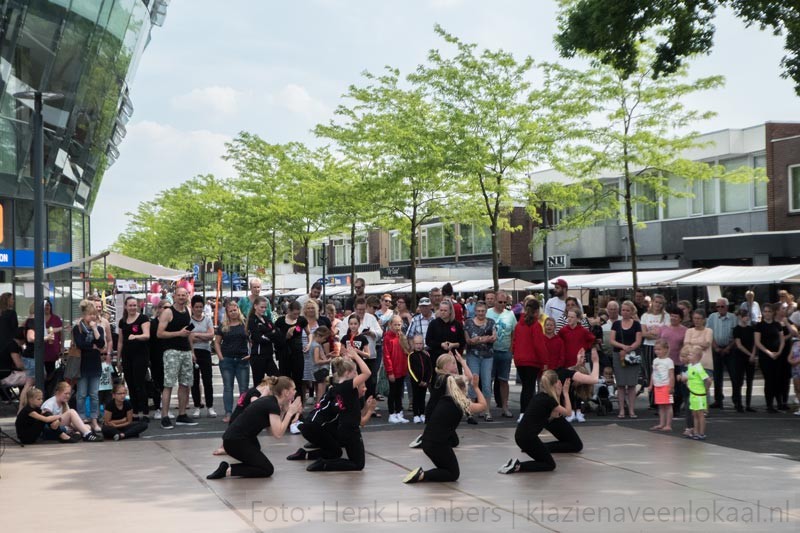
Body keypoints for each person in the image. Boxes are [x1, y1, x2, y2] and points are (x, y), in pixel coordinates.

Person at [207, 377, 303, 479]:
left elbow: (273, 431)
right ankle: (227, 470)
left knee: (257, 455)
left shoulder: (271, 402)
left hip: (236, 439)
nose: (295, 392)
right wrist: (290, 412)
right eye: (293, 389)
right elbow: (278, 434)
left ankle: (227, 468)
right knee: (267, 469)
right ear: (286, 392)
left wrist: (284, 411)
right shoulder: (271, 404)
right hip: (235, 441)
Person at [402, 373, 487, 483]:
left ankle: (423, 474)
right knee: (453, 474)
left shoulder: (444, 399)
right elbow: (483, 406)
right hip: (437, 444)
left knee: (446, 468)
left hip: (427, 442)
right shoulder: (461, 403)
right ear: (462, 389)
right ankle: (422, 475)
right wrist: (475, 387)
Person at [305, 352, 375, 472]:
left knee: (355, 461)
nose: (356, 375)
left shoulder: (336, 387)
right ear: (347, 373)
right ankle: (325, 464)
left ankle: (325, 463)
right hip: (350, 430)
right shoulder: (347, 386)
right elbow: (367, 373)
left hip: (344, 427)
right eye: (354, 372)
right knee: (358, 464)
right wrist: (356, 356)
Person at [496, 371, 576, 474]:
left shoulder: (540, 397)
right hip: (528, 438)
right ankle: (517, 466)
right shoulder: (549, 400)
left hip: (521, 436)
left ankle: (514, 465)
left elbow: (555, 415)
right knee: (550, 464)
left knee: (544, 460)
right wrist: (565, 393)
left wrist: (559, 395)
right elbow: (568, 413)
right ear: (555, 384)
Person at [157, 287, 197, 429]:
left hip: (186, 351)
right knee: (168, 384)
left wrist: (192, 351)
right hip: (171, 351)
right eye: (179, 295)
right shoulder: (168, 312)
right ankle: (165, 416)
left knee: (185, 384)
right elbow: (160, 333)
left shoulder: (188, 310)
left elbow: (189, 332)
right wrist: (178, 333)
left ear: (187, 296)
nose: (181, 297)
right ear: (174, 296)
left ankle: (182, 415)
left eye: (184, 295)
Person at [215, 299, 251, 423]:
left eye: (235, 310)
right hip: (227, 360)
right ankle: (229, 413)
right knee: (228, 388)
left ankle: (243, 413)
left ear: (238, 310)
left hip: (242, 359)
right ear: (227, 312)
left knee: (243, 388)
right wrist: (220, 357)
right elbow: (217, 342)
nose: (233, 312)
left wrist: (250, 354)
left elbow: (252, 341)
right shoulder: (223, 326)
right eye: (230, 311)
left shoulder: (245, 324)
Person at [512, 299, 547, 422]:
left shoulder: (518, 325)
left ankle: (523, 413)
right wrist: (545, 361)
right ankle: (526, 413)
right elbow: (539, 345)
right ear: (537, 311)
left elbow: (514, 343)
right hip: (532, 360)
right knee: (529, 387)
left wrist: (516, 356)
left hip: (520, 360)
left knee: (526, 388)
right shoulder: (535, 325)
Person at [73, 300, 105, 432]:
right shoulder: (78, 328)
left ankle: (94, 419)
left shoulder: (99, 328)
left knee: (94, 394)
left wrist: (94, 329)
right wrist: (93, 346)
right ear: (84, 315)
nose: (92, 317)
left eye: (94, 314)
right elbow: (80, 344)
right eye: (90, 314)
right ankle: (80, 419)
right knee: (81, 394)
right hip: (81, 364)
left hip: (95, 364)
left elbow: (101, 344)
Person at [558, 309, 596, 422]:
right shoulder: (563, 331)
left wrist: (585, 349)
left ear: (578, 318)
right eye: (568, 317)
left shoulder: (583, 331)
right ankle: (569, 412)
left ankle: (579, 411)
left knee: (579, 388)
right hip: (567, 363)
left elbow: (592, 340)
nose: (569, 319)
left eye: (572, 317)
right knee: (568, 388)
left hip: (579, 363)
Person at [117, 296, 151, 420]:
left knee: (139, 384)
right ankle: (135, 411)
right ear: (126, 306)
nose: (132, 307)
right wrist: (119, 358)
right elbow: (120, 341)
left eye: (134, 305)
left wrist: (135, 337)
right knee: (130, 384)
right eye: (130, 305)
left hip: (140, 355)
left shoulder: (143, 318)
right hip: (127, 355)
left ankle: (145, 411)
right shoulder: (122, 321)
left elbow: (147, 335)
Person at [609, 300, 642, 418]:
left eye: (627, 310)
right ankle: (621, 409)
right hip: (619, 355)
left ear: (632, 311)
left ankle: (632, 410)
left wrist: (630, 348)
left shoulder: (637, 324)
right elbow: (611, 340)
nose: (625, 312)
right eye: (623, 310)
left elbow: (638, 340)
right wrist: (623, 347)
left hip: (633, 356)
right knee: (621, 384)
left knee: (632, 384)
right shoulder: (616, 324)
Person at [486, 290, 517, 418]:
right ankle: (486, 408)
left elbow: (513, 333)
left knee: (504, 381)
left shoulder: (510, 314)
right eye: (500, 302)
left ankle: (505, 407)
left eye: (505, 302)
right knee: (489, 381)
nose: (502, 304)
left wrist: (510, 350)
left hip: (505, 352)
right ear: (494, 301)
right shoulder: (487, 313)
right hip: (490, 352)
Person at [465, 301, 497, 421]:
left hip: (488, 356)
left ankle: (487, 410)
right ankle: (472, 410)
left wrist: (478, 339)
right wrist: (484, 339)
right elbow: (468, 340)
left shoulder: (491, 322)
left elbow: (494, 337)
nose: (480, 313)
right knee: (473, 382)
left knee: (487, 384)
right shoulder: (468, 322)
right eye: (478, 311)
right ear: (475, 311)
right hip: (473, 356)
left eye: (483, 311)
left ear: (486, 311)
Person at [16, 387, 81, 444]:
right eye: (38, 399)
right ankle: (62, 435)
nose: (41, 401)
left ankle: (62, 435)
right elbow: (46, 419)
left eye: (42, 399)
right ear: (30, 400)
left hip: (32, 434)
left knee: (47, 414)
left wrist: (57, 420)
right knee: (46, 416)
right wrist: (59, 417)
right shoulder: (28, 410)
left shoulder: (36, 408)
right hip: (26, 438)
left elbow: (47, 415)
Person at [754, 303, 786, 413]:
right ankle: (769, 404)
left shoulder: (777, 325)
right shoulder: (759, 326)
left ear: (773, 313)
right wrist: (769, 353)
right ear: (763, 313)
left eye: (769, 311)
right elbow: (757, 342)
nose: (767, 313)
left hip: (778, 356)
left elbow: (782, 340)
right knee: (769, 380)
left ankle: (779, 403)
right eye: (765, 311)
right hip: (765, 357)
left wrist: (779, 351)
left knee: (778, 379)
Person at [707, 298, 737, 409]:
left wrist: (729, 347)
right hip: (716, 349)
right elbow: (709, 333)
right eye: (718, 306)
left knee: (734, 375)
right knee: (717, 376)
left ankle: (736, 400)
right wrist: (716, 347)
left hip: (730, 349)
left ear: (727, 307)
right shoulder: (712, 317)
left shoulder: (733, 318)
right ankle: (718, 400)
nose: (720, 308)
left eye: (722, 306)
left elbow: (736, 335)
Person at [189, 295, 216, 418]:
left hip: (206, 352)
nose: (199, 309)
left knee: (208, 380)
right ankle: (197, 406)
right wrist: (203, 335)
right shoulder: (189, 321)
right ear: (192, 307)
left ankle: (210, 406)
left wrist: (197, 335)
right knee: (194, 381)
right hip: (194, 352)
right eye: (196, 307)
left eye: (201, 307)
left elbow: (211, 335)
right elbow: (189, 337)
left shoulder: (207, 320)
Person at [640, 294, 668, 408]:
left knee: (661, 372)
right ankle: (652, 401)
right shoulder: (645, 316)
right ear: (653, 302)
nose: (658, 305)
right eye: (656, 302)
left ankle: (662, 399)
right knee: (650, 373)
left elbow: (664, 334)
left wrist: (653, 335)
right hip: (648, 347)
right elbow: (644, 333)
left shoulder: (666, 316)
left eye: (660, 303)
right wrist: (655, 335)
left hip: (662, 347)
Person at [659, 306, 687, 417]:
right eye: (672, 316)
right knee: (664, 385)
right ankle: (664, 407)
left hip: (678, 362)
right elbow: (659, 343)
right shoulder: (664, 328)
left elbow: (685, 346)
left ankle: (676, 408)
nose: (673, 318)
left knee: (678, 387)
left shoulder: (685, 330)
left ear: (681, 318)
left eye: (676, 316)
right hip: (664, 362)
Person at [274, 301, 306, 395]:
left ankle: (298, 401)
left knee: (298, 379)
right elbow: (276, 337)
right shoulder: (280, 321)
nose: (296, 316)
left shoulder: (301, 320)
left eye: (298, 314)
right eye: (294, 313)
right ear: (288, 311)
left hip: (297, 353)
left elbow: (309, 333)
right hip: (284, 353)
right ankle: (285, 401)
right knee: (285, 378)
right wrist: (286, 336)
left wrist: (308, 344)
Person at [383, 315, 410, 424]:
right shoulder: (387, 338)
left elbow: (406, 352)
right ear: (390, 325)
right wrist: (390, 372)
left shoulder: (402, 336)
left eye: (399, 324)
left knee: (399, 393)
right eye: (395, 324)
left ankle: (399, 413)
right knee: (392, 393)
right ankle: (391, 414)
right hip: (393, 371)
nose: (397, 327)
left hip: (402, 370)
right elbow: (386, 356)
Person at [248, 295, 280, 386]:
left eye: (265, 307)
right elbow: (259, 338)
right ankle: (257, 399)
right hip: (258, 356)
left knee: (277, 379)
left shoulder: (266, 319)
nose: (264, 309)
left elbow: (276, 332)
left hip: (268, 354)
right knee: (258, 383)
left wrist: (268, 333)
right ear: (255, 306)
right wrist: (271, 334)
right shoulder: (252, 320)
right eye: (261, 307)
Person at [684, 309, 714, 404]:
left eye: (699, 318)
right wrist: (698, 344)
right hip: (692, 364)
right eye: (695, 318)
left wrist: (692, 343)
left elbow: (707, 344)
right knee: (692, 386)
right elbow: (686, 345)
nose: (696, 321)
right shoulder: (689, 331)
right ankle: (693, 407)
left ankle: (705, 409)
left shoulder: (708, 331)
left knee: (705, 387)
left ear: (704, 320)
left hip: (706, 363)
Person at [682, 346, 711, 440]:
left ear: (697, 357)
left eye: (690, 354)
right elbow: (689, 378)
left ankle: (701, 433)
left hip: (699, 394)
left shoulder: (699, 368)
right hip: (693, 393)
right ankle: (696, 432)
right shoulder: (690, 366)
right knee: (694, 413)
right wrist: (686, 381)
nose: (688, 356)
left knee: (700, 414)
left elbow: (708, 379)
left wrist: (706, 389)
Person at [426, 300, 466, 364]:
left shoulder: (457, 324)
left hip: (453, 358)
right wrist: (440, 344)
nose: (443, 312)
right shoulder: (433, 323)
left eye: (445, 310)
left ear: (450, 311)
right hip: (437, 358)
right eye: (441, 310)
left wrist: (453, 345)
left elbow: (462, 342)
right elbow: (428, 341)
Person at [732, 308, 756, 413]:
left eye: (747, 316)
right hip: (739, 357)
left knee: (750, 381)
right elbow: (739, 345)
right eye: (743, 316)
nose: (745, 318)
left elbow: (755, 343)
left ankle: (748, 404)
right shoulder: (736, 329)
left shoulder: (751, 329)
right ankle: (739, 403)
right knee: (739, 381)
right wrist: (750, 354)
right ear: (740, 317)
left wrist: (753, 354)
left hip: (750, 356)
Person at [149, 300, 170, 419]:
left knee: (168, 383)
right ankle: (157, 408)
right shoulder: (152, 323)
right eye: (165, 307)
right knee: (157, 382)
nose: (167, 309)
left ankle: (166, 408)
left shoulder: (171, 322)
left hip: (169, 355)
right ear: (159, 309)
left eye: (169, 307)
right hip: (155, 356)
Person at [649, 340, 675, 431]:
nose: (657, 351)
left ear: (666, 349)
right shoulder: (655, 360)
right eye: (655, 349)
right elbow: (653, 373)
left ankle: (668, 424)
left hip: (666, 385)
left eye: (659, 349)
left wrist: (671, 386)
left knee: (667, 405)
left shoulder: (669, 361)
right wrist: (651, 385)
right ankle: (661, 423)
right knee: (661, 405)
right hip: (658, 386)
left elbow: (671, 375)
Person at [408, 334, 432, 423]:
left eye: (421, 343)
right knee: (416, 397)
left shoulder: (426, 355)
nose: (419, 345)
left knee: (422, 397)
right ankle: (416, 415)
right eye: (417, 344)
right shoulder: (411, 355)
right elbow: (410, 369)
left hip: (425, 382)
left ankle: (422, 413)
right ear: (413, 344)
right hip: (416, 382)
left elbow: (430, 369)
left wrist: (427, 381)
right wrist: (418, 381)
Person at [310, 326, 334, 402]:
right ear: (319, 336)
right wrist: (327, 361)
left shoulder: (314, 344)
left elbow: (319, 358)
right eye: (324, 338)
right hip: (320, 370)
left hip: (317, 370)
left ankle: (318, 405)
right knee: (321, 392)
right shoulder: (316, 345)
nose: (325, 340)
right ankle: (318, 406)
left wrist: (327, 355)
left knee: (319, 391)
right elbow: (317, 361)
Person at [43, 298, 63, 376]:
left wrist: (62, 346)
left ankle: (50, 387)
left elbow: (61, 334)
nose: (46, 307)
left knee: (51, 371)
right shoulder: (38, 318)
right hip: (41, 349)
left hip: (52, 349)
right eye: (45, 305)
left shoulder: (56, 318)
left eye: (48, 305)